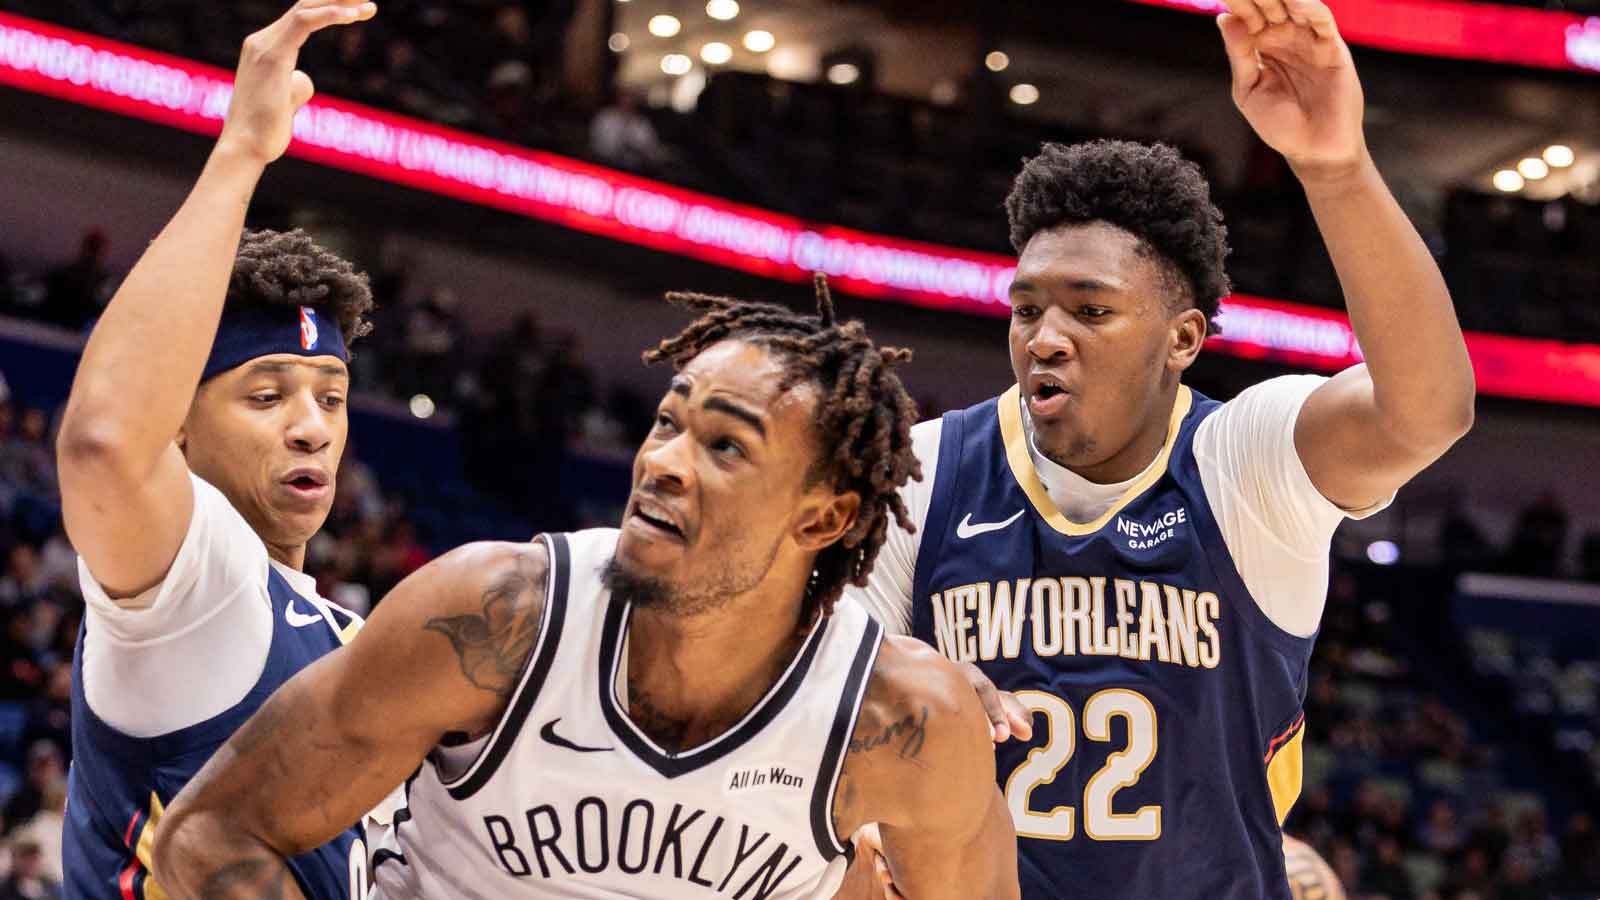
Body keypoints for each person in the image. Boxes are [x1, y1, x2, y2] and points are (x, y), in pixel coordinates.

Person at [849, 0, 1476, 897]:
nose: (1046, 337)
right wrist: (889, 672)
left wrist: (1334, 169)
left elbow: (1428, 411)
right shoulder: (926, 468)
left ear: (1182, 339)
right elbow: (823, 696)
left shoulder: (1241, 460)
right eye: (1027, 309)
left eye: (1091, 310)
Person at [151, 279, 1021, 900]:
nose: (664, 464)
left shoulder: (905, 720)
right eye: (669, 421)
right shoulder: (498, 615)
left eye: (726, 448)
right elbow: (209, 832)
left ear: (822, 520)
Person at [54, 2, 382, 898]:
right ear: (183, 426)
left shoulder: (354, 634)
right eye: (267, 396)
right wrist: (242, 150)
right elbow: (103, 442)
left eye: (332, 397)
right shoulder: (197, 584)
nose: (312, 425)